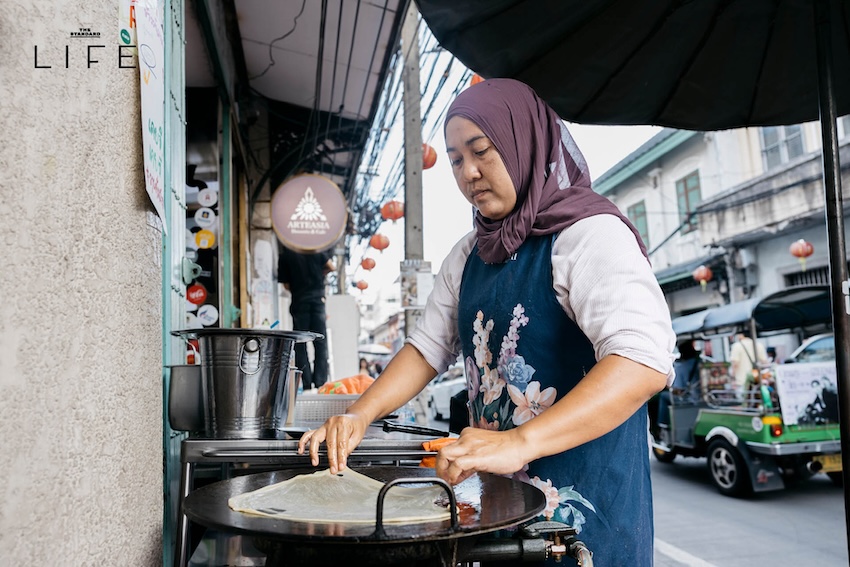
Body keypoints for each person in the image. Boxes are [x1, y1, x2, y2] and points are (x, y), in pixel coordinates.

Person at [298, 78, 675, 565]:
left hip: (585, 520)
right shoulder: (468, 255)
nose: (469, 173)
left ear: (525, 145)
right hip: (498, 513)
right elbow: (426, 348)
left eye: (482, 151)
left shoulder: (589, 236)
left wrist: (520, 442)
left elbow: (641, 361)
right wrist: (359, 415)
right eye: (456, 160)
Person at [278, 245, 334, 389]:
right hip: (317, 300)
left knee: (300, 343)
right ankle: (320, 382)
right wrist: (320, 274)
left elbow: (286, 285)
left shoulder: (286, 254)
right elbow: (331, 267)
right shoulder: (314, 249)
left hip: (299, 302)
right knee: (320, 342)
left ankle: (306, 382)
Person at [657, 340, 701, 433]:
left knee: (663, 396)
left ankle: (663, 426)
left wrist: (669, 387)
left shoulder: (681, 368)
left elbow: (678, 391)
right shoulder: (701, 362)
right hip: (705, 398)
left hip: (690, 400)